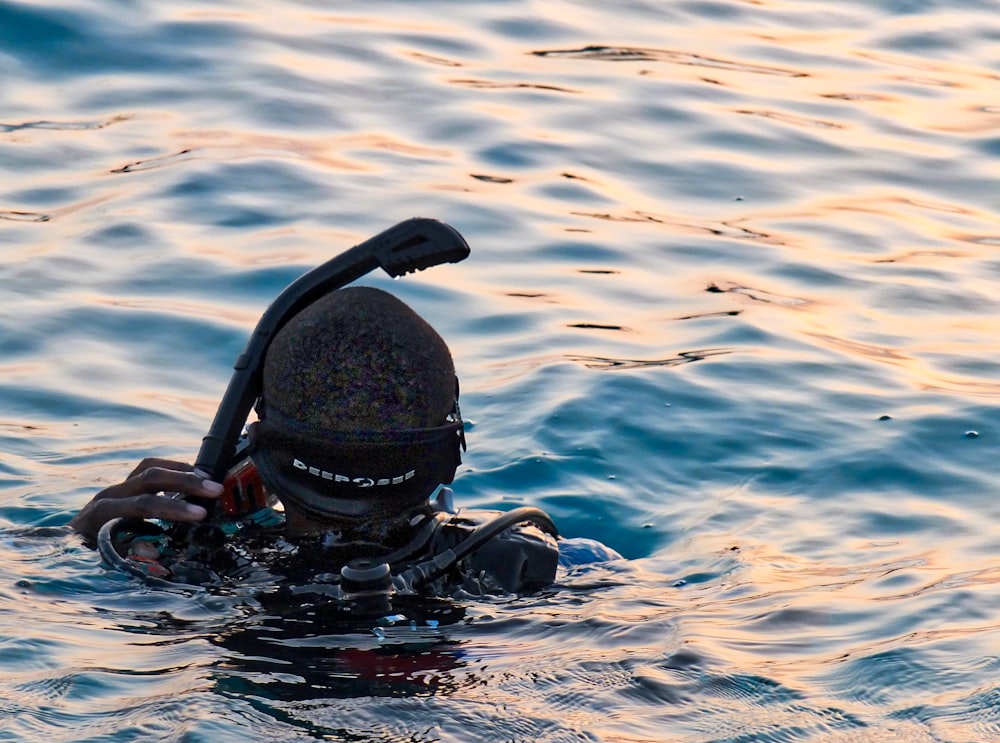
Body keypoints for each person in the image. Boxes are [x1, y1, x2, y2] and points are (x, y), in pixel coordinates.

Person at [71, 287, 617, 599]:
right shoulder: (532, 565)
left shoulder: (179, 563)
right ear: (451, 443)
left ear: (256, 436)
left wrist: (86, 538)